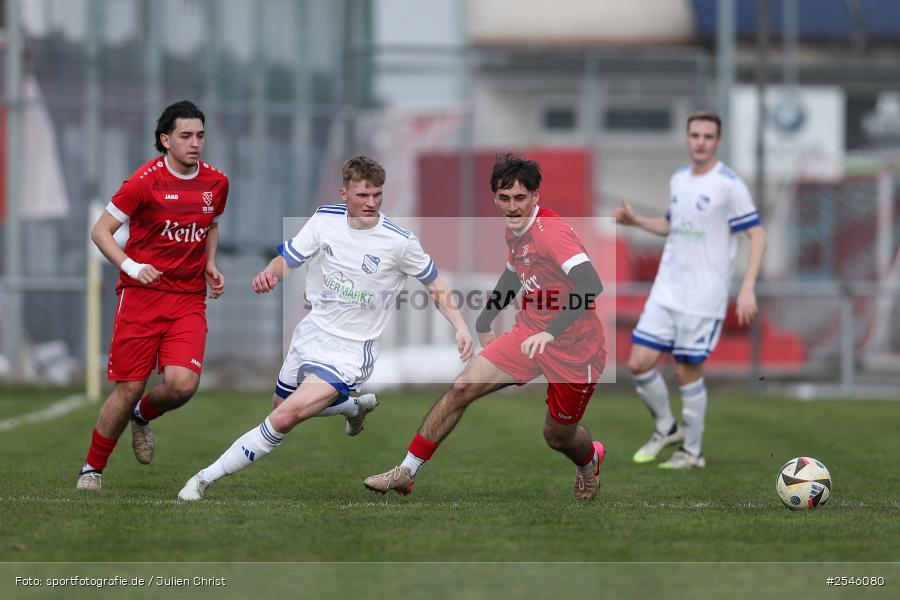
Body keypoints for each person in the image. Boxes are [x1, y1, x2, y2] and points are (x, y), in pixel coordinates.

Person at [177, 155, 474, 501]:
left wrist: (460, 326)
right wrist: (271, 274)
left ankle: (202, 479)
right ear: (344, 193)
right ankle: (352, 407)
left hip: (351, 351)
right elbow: (288, 260)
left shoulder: (399, 241)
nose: (372, 203)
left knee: (285, 418)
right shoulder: (324, 219)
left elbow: (436, 285)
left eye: (377, 194)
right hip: (311, 334)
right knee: (279, 406)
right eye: (363, 195)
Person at [363, 154, 608, 502]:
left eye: (520, 198)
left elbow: (590, 284)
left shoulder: (552, 234)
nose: (512, 206)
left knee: (557, 436)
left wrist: (551, 332)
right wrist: (485, 319)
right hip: (527, 337)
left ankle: (589, 461)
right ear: (495, 197)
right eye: (504, 198)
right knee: (463, 387)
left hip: (576, 350)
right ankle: (406, 471)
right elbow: (513, 274)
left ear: (536, 197)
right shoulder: (516, 231)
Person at [76, 100, 228, 490]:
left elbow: (210, 225)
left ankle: (142, 417)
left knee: (182, 385)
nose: (195, 143)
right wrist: (131, 267)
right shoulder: (144, 181)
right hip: (142, 297)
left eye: (200, 135)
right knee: (127, 388)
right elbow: (100, 232)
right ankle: (92, 470)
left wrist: (210, 264)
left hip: (188, 299)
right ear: (165, 140)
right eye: (186, 136)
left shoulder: (216, 182)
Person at [614, 111, 767, 469]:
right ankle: (667, 427)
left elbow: (757, 235)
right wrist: (635, 221)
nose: (700, 141)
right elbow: (671, 225)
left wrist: (747, 288)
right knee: (638, 362)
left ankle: (692, 452)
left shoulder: (730, 185)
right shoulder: (679, 180)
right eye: (695, 135)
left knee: (685, 372)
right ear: (686, 138)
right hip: (667, 291)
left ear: (718, 141)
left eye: (708, 136)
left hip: (704, 298)